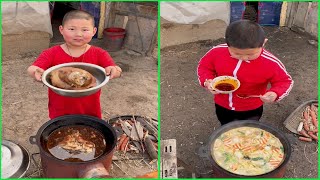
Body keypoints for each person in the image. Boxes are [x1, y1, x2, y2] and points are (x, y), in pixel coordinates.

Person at [27, 10, 122, 119]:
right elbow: (33, 68)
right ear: (61, 30)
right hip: (60, 109)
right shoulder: (51, 53)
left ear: (94, 31)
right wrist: (35, 71)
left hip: (90, 108)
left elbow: (116, 70)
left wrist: (115, 70)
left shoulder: (99, 53)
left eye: (85, 30)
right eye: (72, 29)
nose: (78, 34)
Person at [197, 20, 293, 125]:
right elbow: (204, 67)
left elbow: (285, 81)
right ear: (228, 44)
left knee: (248, 128)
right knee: (225, 124)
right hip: (222, 103)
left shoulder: (270, 63)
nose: (243, 58)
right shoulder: (217, 52)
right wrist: (207, 81)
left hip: (252, 107)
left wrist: (275, 93)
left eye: (250, 54)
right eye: (236, 53)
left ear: (263, 43)